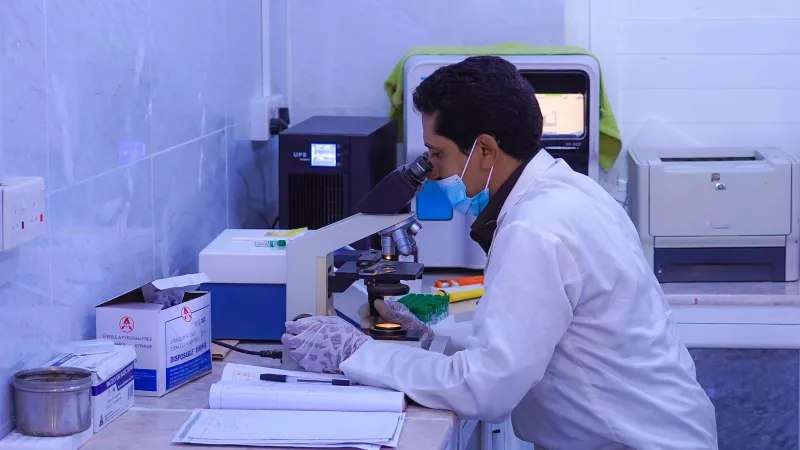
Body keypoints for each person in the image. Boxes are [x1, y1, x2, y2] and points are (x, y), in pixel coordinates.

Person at [281, 56, 718, 449]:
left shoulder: (534, 228)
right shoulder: (571, 192)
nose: (431, 172)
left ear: (485, 150)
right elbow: (538, 340)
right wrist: (435, 329)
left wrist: (355, 352)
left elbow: (485, 389)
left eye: (437, 154)